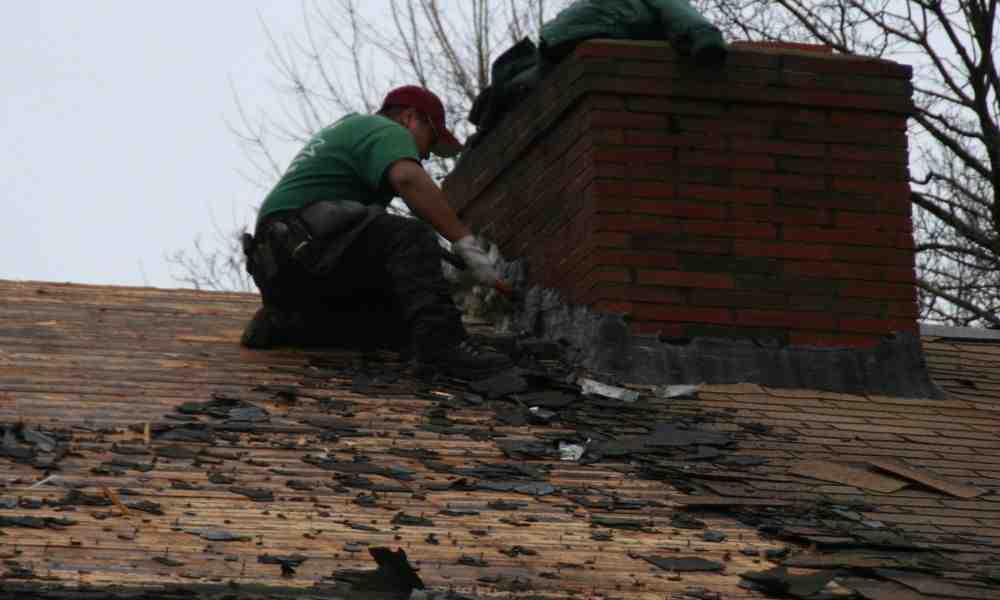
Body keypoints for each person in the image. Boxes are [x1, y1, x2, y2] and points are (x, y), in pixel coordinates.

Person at [240, 85, 513, 379]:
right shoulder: (383, 128)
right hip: (305, 241)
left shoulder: (348, 131)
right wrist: (466, 245)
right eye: (430, 141)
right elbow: (407, 179)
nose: (425, 156)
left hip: (279, 268)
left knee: (396, 320)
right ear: (410, 118)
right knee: (413, 237)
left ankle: (289, 321)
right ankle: (443, 348)